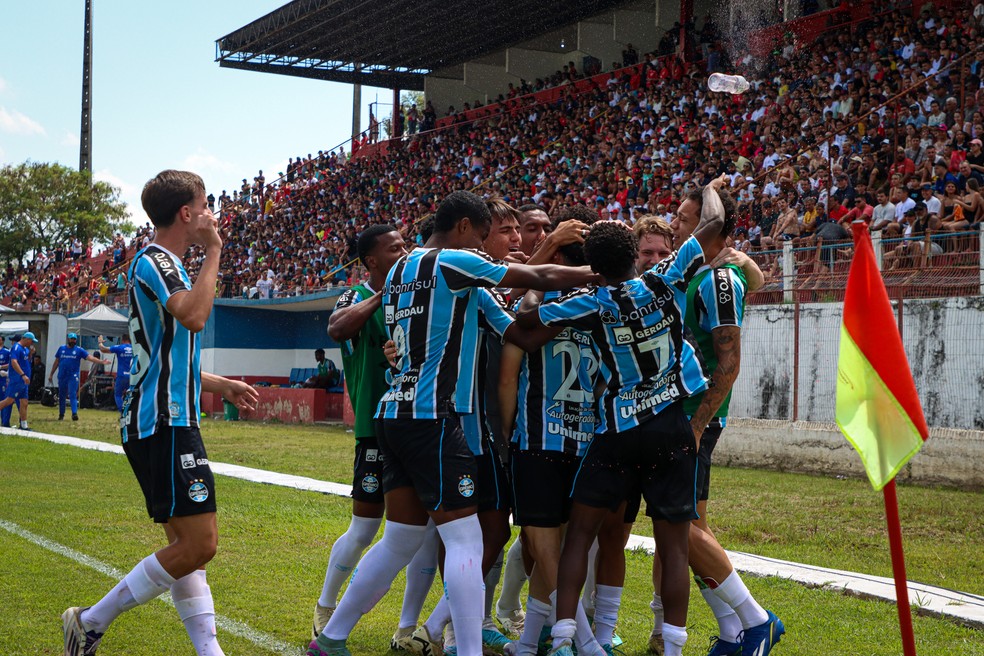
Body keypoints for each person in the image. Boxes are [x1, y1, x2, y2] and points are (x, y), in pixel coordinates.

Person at [308, 191, 597, 656]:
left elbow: (516, 331)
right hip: (435, 418)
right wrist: (604, 274)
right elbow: (534, 274)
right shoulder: (454, 263)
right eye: (483, 236)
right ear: (464, 227)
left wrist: (564, 313)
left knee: (399, 538)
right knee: (466, 540)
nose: (484, 247)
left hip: (394, 415)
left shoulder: (402, 270)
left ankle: (332, 638)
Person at [516, 179, 728, 656]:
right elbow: (714, 223)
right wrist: (710, 188)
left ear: (595, 264)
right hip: (670, 427)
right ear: (634, 256)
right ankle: (672, 645)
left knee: (581, 536)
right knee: (672, 545)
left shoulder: (590, 302)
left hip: (615, 431)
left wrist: (540, 287)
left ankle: (567, 634)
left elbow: (527, 323)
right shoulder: (663, 279)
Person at [62, 170, 258, 656]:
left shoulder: (160, 264)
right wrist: (215, 250)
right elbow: (194, 315)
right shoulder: (159, 261)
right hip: (163, 421)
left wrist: (221, 385)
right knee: (199, 544)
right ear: (186, 214)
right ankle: (90, 621)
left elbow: (167, 355)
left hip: (162, 417)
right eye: (206, 204)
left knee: (187, 551)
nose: (211, 213)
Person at [649, 189, 784, 656]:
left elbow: (729, 362)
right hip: (681, 414)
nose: (677, 228)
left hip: (692, 418)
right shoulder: (699, 274)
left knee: (678, 523)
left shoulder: (719, 280)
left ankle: (756, 620)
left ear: (717, 231)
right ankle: (732, 633)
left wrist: (698, 423)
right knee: (691, 529)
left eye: (685, 219)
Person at [313, 224, 440, 650]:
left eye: (406, 245)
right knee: (365, 529)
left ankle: (406, 626)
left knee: (422, 531)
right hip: (374, 427)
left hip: (418, 424)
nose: (404, 252)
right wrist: (382, 295)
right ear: (371, 260)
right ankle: (326, 607)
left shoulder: (414, 293)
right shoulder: (356, 296)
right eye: (395, 248)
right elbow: (337, 329)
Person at [498, 205, 604, 656]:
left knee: (549, 552)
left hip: (544, 443)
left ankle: (532, 641)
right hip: (573, 444)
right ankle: (579, 642)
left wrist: (504, 438)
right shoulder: (600, 306)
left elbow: (508, 372)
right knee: (551, 552)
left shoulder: (539, 308)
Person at [49, 332, 109, 421]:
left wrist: (101, 361)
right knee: (62, 395)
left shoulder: (79, 350)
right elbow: (56, 362)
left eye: (74, 339)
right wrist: (51, 374)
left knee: (72, 393)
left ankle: (74, 413)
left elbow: (90, 357)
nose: (73, 340)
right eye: (71, 339)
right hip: (62, 375)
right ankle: (61, 414)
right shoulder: (61, 349)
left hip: (73, 376)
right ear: (68, 339)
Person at [0, 332, 37, 430]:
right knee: (9, 401)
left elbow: (24, 361)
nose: (32, 343)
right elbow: (14, 362)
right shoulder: (16, 348)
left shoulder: (25, 349)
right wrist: (23, 375)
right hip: (17, 379)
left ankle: (24, 425)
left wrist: (30, 354)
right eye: (31, 341)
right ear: (27, 339)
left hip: (23, 382)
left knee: (24, 402)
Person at [98, 334, 134, 412]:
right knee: (130, 395)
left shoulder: (119, 347)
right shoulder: (134, 348)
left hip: (121, 375)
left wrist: (100, 342)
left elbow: (102, 349)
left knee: (118, 395)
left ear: (122, 340)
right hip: (132, 376)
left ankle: (122, 413)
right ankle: (129, 412)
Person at [0, 335, 14, 427]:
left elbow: (11, 363)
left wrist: (1, 367)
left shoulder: (6, 351)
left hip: (2, 378)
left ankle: (4, 421)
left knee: (3, 398)